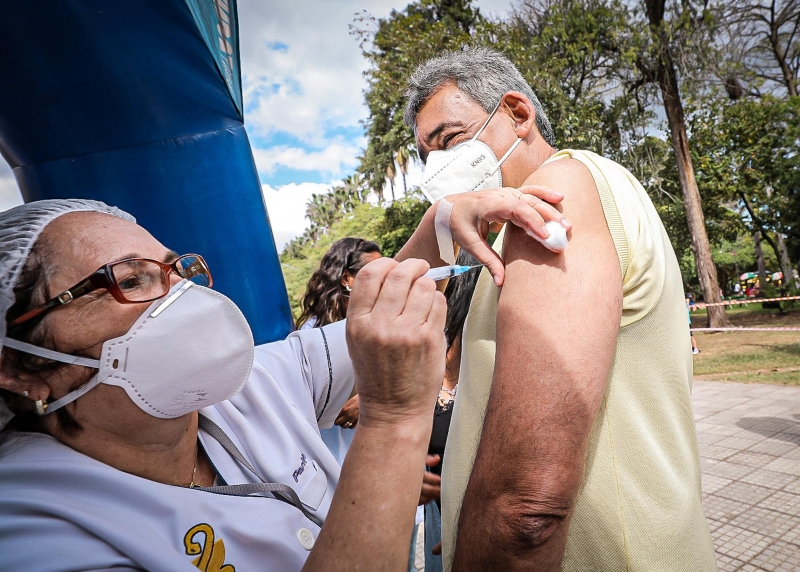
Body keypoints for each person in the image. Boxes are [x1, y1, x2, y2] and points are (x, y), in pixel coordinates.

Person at [0, 189, 568, 570]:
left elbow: (377, 315)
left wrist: (442, 221)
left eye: (176, 270)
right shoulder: (29, 531)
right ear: (20, 366)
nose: (181, 298)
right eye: (130, 279)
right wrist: (395, 420)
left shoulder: (253, 383)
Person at [403, 47, 716, 571]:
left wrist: (486, 548)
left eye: (449, 140)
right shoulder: (507, 231)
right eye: (425, 155)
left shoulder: (555, 193)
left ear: (518, 114)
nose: (437, 167)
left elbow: (528, 505)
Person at [296, 238, 382, 464]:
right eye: (374, 273)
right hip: (341, 457)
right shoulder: (313, 334)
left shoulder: (382, 322)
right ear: (347, 279)